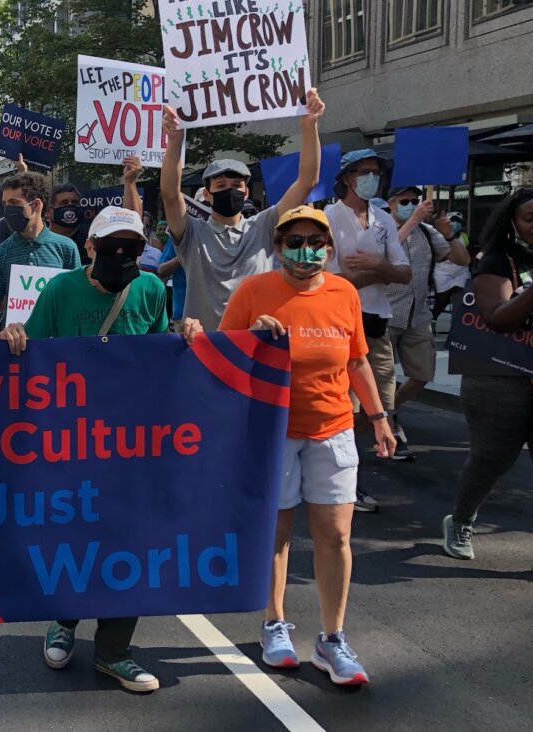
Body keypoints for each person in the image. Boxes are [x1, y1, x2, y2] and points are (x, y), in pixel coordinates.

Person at [190, 205, 395, 686]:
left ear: (329, 247)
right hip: (272, 431)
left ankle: (333, 638)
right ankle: (274, 624)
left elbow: (357, 361)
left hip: (333, 429)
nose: (307, 250)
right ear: (278, 247)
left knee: (336, 536)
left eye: (316, 242)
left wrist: (379, 417)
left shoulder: (344, 292)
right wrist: (253, 338)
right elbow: (224, 358)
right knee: (275, 534)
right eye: (295, 242)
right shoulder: (253, 290)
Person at [0, 206, 176, 693]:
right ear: (90, 247)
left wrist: (187, 336)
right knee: (75, 537)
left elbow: (163, 356)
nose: (122, 254)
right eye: (112, 246)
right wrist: (13, 335)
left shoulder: (151, 288)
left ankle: (114, 651)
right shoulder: (61, 289)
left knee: (130, 543)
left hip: (133, 446)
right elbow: (31, 353)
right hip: (72, 442)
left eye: (132, 248)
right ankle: (64, 620)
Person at [441, 188, 533, 589]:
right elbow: (496, 319)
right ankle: (461, 520)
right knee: (492, 459)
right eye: (530, 217)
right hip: (500, 379)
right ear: (512, 221)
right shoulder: (497, 260)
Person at [160, 88, 326, 332]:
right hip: (204, 343)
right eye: (221, 186)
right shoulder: (192, 233)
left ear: (246, 192)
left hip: (256, 341)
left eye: (237, 185)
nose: (230, 190)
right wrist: (175, 141)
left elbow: (307, 181)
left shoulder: (264, 225)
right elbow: (170, 194)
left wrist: (309, 125)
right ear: (207, 194)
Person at [323, 150, 412, 511]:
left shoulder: (383, 219)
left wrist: (376, 266)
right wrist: (380, 271)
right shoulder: (328, 217)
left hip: (376, 325)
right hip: (340, 325)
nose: (371, 177)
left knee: (380, 407)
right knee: (346, 406)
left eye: (376, 171)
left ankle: (340, 463)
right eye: (364, 171)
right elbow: (330, 280)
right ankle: (345, 477)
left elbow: (403, 272)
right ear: (347, 177)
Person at [383, 187, 471, 460]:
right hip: (386, 315)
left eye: (415, 201)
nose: (411, 205)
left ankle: (388, 412)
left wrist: (449, 234)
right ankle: (388, 427)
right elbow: (385, 255)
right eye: (405, 201)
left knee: (422, 374)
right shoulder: (380, 228)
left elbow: (462, 260)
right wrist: (413, 220)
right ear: (391, 203)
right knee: (384, 378)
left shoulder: (427, 232)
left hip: (418, 315)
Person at [0, 171, 83, 339]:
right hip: (12, 347)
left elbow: (77, 304)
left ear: (36, 205)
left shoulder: (67, 248)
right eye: (5, 204)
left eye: (14, 203)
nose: (8, 209)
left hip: (55, 347)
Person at [433, 212, 472, 321]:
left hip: (461, 271)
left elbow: (469, 253)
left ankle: (457, 323)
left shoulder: (464, 237)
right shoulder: (439, 236)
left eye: (458, 221)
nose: (455, 223)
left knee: (459, 297)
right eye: (453, 220)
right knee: (442, 299)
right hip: (443, 271)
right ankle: (433, 319)